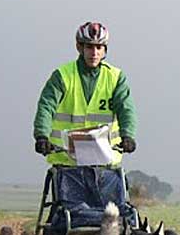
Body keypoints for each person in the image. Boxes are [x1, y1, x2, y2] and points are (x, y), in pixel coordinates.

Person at [33, 21, 137, 167]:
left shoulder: (115, 78)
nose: (94, 53)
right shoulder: (62, 76)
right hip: (68, 163)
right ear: (79, 47)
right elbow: (46, 107)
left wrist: (128, 136)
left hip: (105, 164)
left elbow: (126, 110)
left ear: (104, 50)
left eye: (99, 47)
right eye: (89, 47)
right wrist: (41, 136)